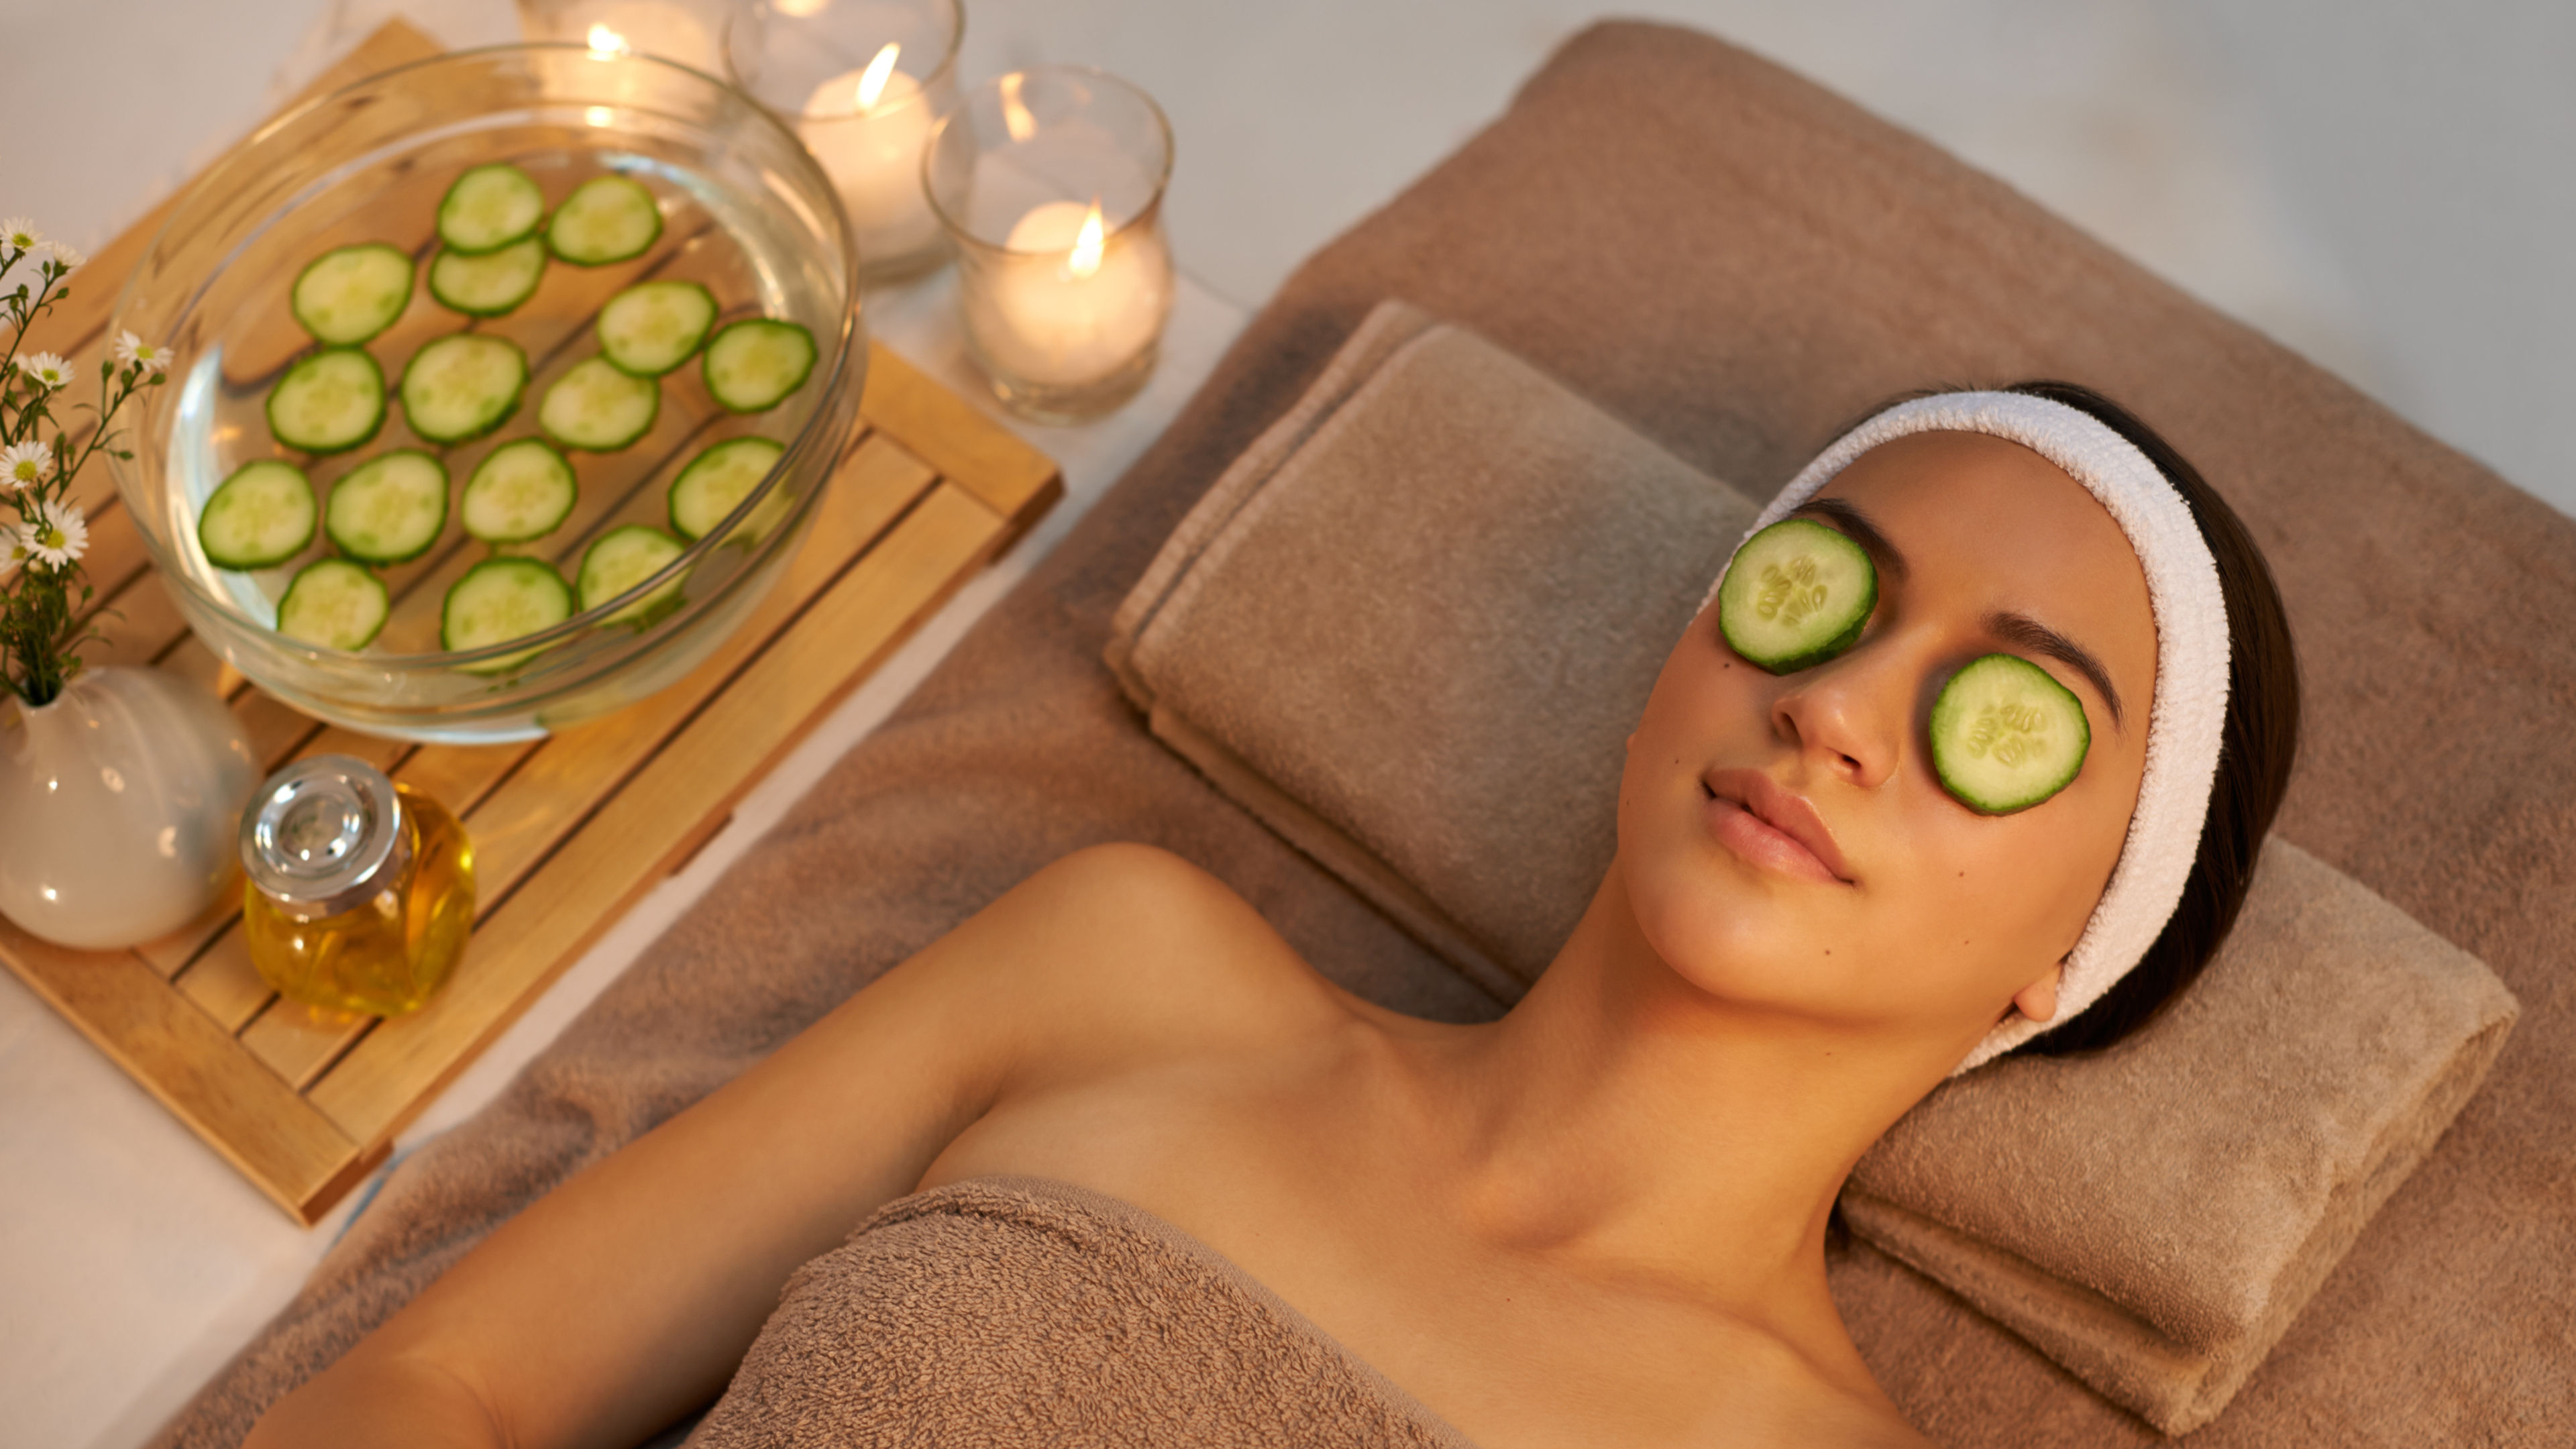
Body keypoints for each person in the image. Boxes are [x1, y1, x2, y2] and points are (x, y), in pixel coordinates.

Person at [246, 382, 2299, 1449]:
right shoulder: (1127, 975)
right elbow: (451, 1393)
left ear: (2075, 948)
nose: (1841, 703)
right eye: (1820, 593)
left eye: (2003, 718)